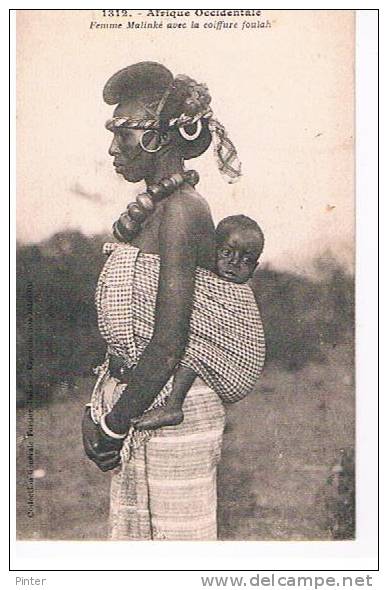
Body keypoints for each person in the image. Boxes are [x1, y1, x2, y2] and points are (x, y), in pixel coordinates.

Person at [82, 62, 261, 540]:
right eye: (113, 131)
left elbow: (166, 342)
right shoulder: (151, 210)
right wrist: (96, 411)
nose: (112, 146)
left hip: (168, 412)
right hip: (136, 400)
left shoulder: (183, 211)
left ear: (161, 137)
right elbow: (130, 328)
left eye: (125, 131)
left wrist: (114, 425)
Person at [132, 214, 265, 431]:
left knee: (193, 348)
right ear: (212, 249)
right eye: (226, 253)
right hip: (205, 374)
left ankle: (173, 405)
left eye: (246, 260)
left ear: (255, 268)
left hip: (231, 369)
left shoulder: (240, 295)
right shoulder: (202, 278)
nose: (234, 263)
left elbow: (227, 336)